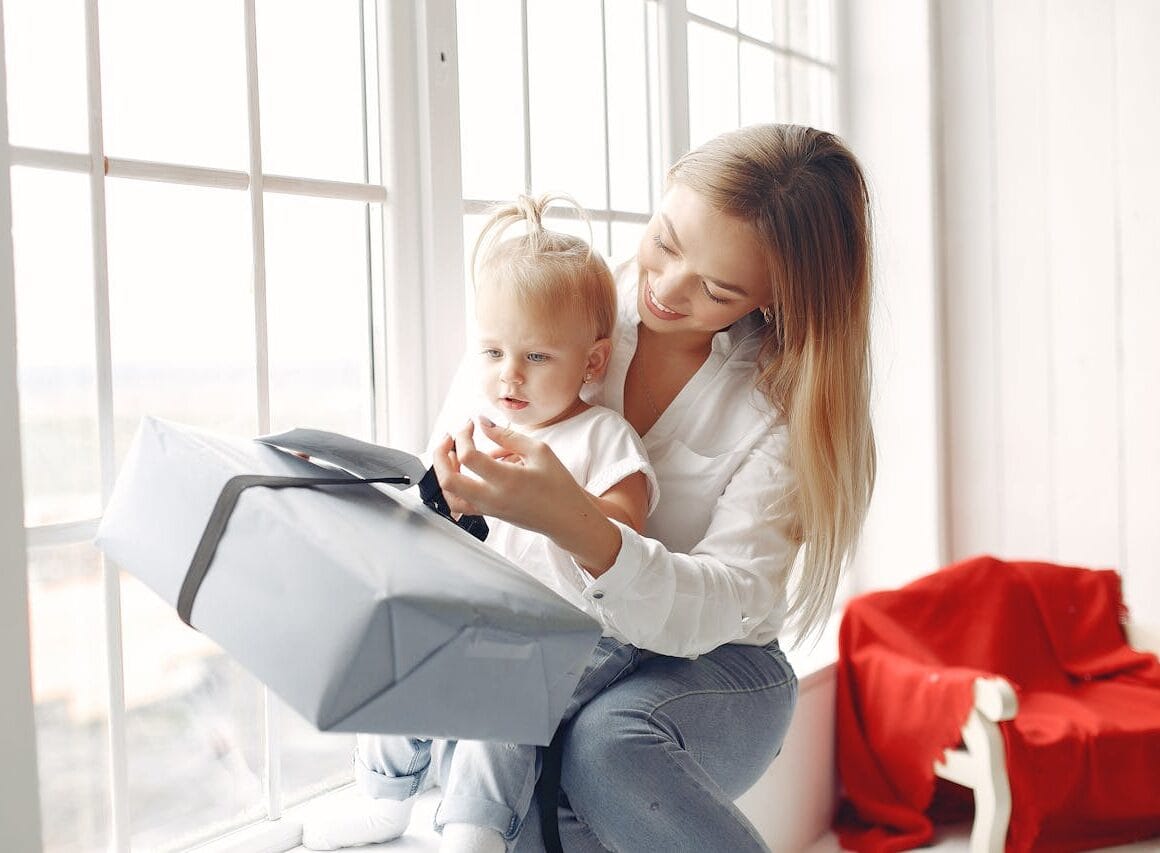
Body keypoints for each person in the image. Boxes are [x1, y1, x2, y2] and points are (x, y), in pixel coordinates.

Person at [428, 124, 876, 852]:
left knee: (606, 746)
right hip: (562, 639)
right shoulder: (559, 302)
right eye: (665, 240)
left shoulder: (778, 406)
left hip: (716, 661)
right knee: (512, 769)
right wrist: (453, 494)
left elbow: (730, 600)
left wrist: (580, 526)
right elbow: (458, 445)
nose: (664, 287)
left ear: (773, 297)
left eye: (717, 287)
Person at [302, 194, 659, 852]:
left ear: (593, 363)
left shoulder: (601, 435)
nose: (508, 374)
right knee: (400, 656)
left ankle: (473, 830)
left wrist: (555, 508)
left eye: (537, 356)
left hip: (584, 632)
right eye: (492, 351)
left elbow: (625, 538)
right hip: (491, 614)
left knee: (507, 699)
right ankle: (384, 797)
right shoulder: (480, 431)